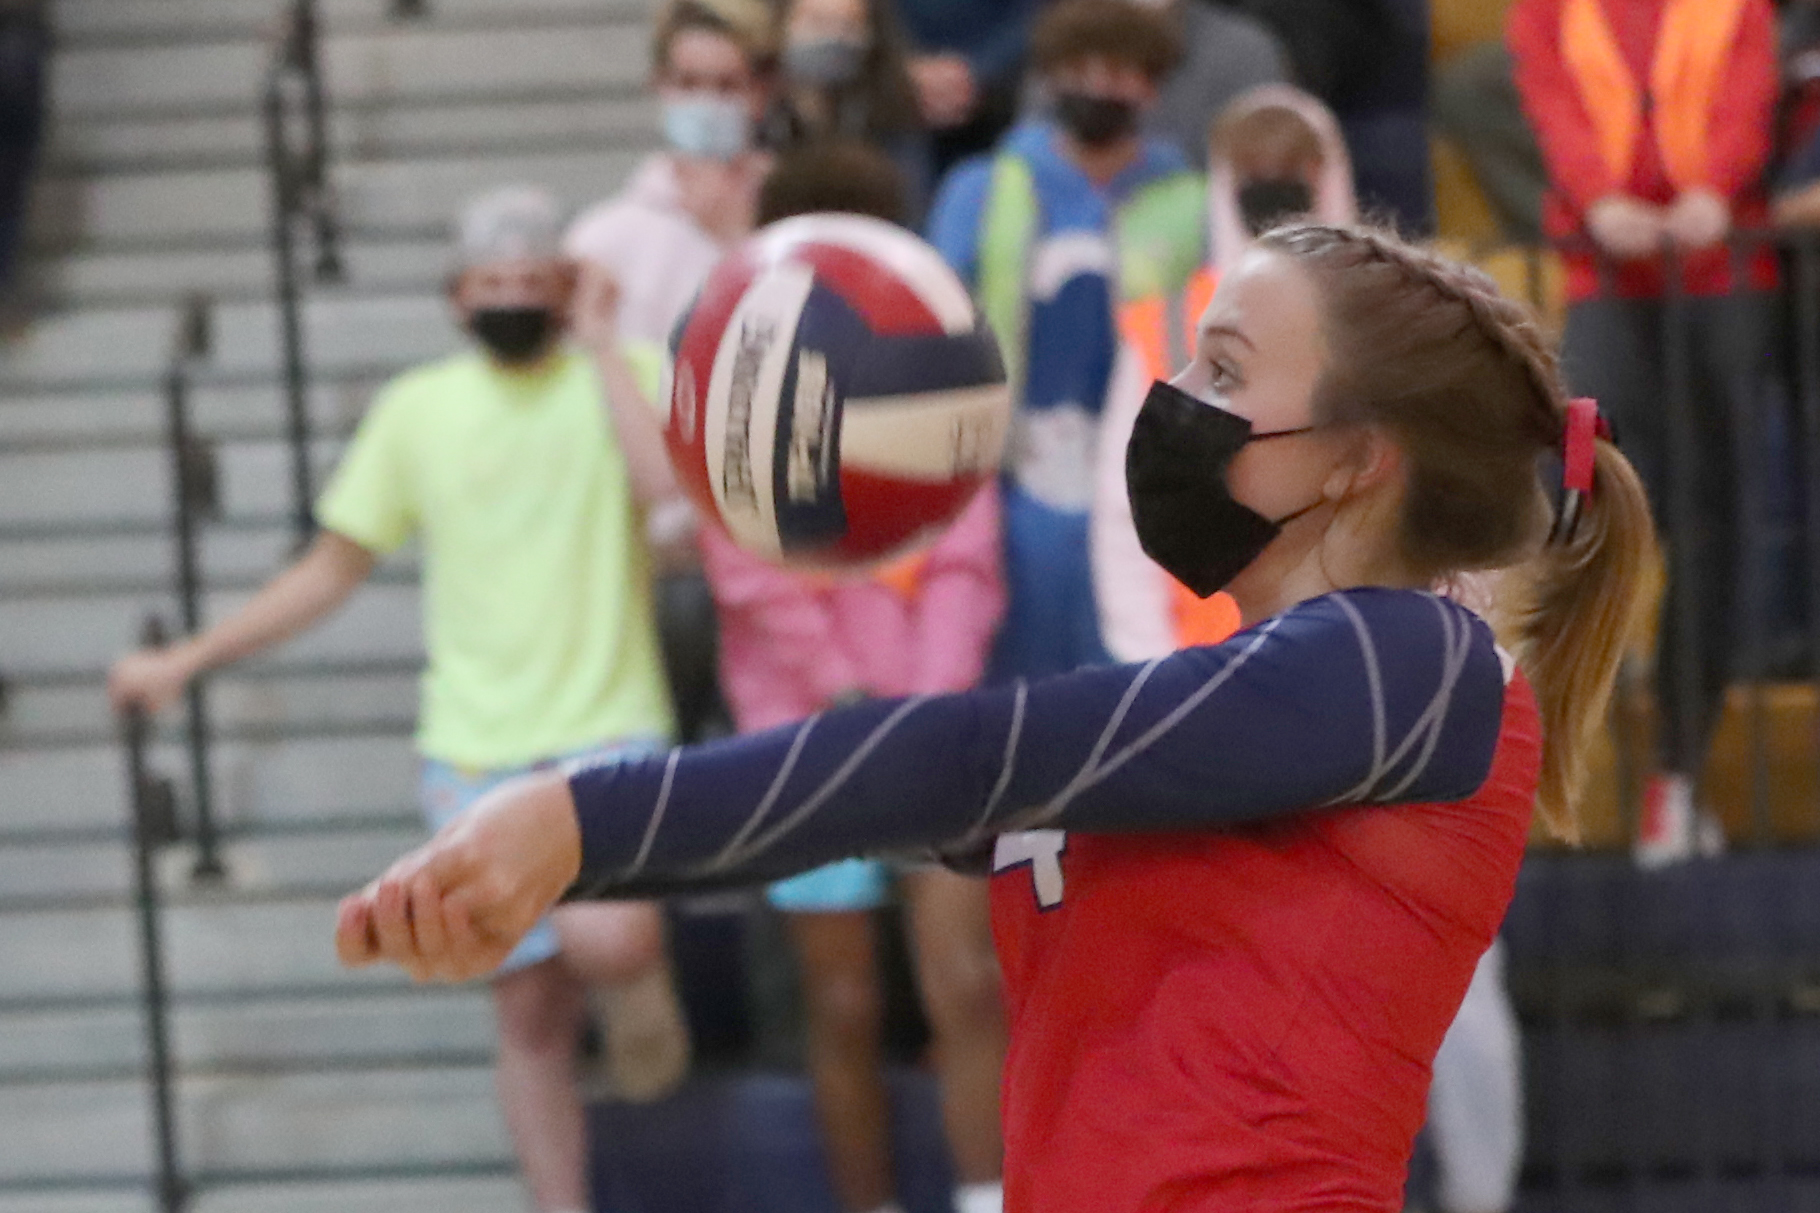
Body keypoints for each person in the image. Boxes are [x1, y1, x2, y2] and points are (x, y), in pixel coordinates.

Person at [337, 222, 1661, 1211]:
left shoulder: (1411, 664)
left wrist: (575, 816)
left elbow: (970, 756)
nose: (1174, 391)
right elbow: (889, 796)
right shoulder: (1251, 714)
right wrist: (566, 848)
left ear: (1354, 458)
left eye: (1223, 363)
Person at [111, 188, 692, 1213]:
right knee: (526, 1011)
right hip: (474, 744)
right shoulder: (418, 409)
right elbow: (332, 567)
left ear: (563, 286)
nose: (512, 297)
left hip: (609, 723)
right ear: (456, 298)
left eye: (531, 280)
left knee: (614, 938)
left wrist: (605, 348)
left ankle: (642, 990)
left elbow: (672, 508)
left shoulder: (627, 378)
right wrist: (190, 660)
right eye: (491, 283)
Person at [698, 141, 1010, 1213]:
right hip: (803, 734)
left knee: (966, 986)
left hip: (933, 728)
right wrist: (845, 694)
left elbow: (968, 554)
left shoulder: (940, 354)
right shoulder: (730, 368)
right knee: (840, 1005)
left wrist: (919, 700)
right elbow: (745, 572)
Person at [1510, 0, 1780, 865]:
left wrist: (1716, 191)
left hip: (1721, 269)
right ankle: (1525, 749)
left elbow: (1747, 97)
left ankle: (1677, 774)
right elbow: (1552, 103)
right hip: (1602, 272)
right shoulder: (1545, 8)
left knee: (1713, 524)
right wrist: (1599, 201)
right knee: (1577, 484)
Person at [928, 0, 1206, 685]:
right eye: (1080, 70)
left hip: (1144, 474)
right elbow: (938, 326)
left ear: (1152, 84)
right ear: (1049, 77)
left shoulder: (1190, 202)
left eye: (1120, 72)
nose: (1100, 88)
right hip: (1012, 471)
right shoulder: (984, 189)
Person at [1094, 84, 1356, 660]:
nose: (1273, 183)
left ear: (1326, 171)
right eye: (1255, 169)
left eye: (1292, 167)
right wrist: (1148, 661)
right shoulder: (1165, 325)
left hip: (1357, 657)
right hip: (1203, 661)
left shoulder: (1384, 321)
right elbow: (1124, 505)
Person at [564, 0, 775, 347]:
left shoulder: (799, 216)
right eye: (688, 84)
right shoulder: (602, 239)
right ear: (660, 85)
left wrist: (738, 238)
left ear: (760, 93)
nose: (707, 103)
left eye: (727, 86)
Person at [767, 0, 934, 220]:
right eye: (818, 23)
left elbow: (910, 209)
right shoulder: (762, 119)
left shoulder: (893, 127)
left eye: (848, 26)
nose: (833, 37)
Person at [894, 0, 1042, 176]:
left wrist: (974, 72)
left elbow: (1038, 17)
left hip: (1002, 96)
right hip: (898, 93)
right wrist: (902, 71)